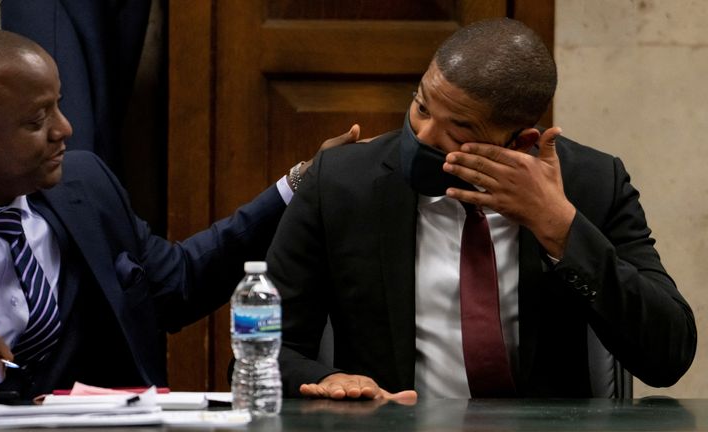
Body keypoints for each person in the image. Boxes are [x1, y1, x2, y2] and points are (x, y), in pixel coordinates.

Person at [266, 17, 697, 401]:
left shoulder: (593, 184)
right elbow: (266, 350)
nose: (422, 136)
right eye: (421, 107)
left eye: (457, 132)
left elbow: (669, 357)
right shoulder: (343, 182)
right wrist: (334, 378)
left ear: (520, 141)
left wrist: (560, 229)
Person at [0, 25, 358, 398]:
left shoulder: (84, 185)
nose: (63, 129)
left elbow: (179, 281)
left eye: (58, 106)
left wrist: (299, 183)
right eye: (36, 121)